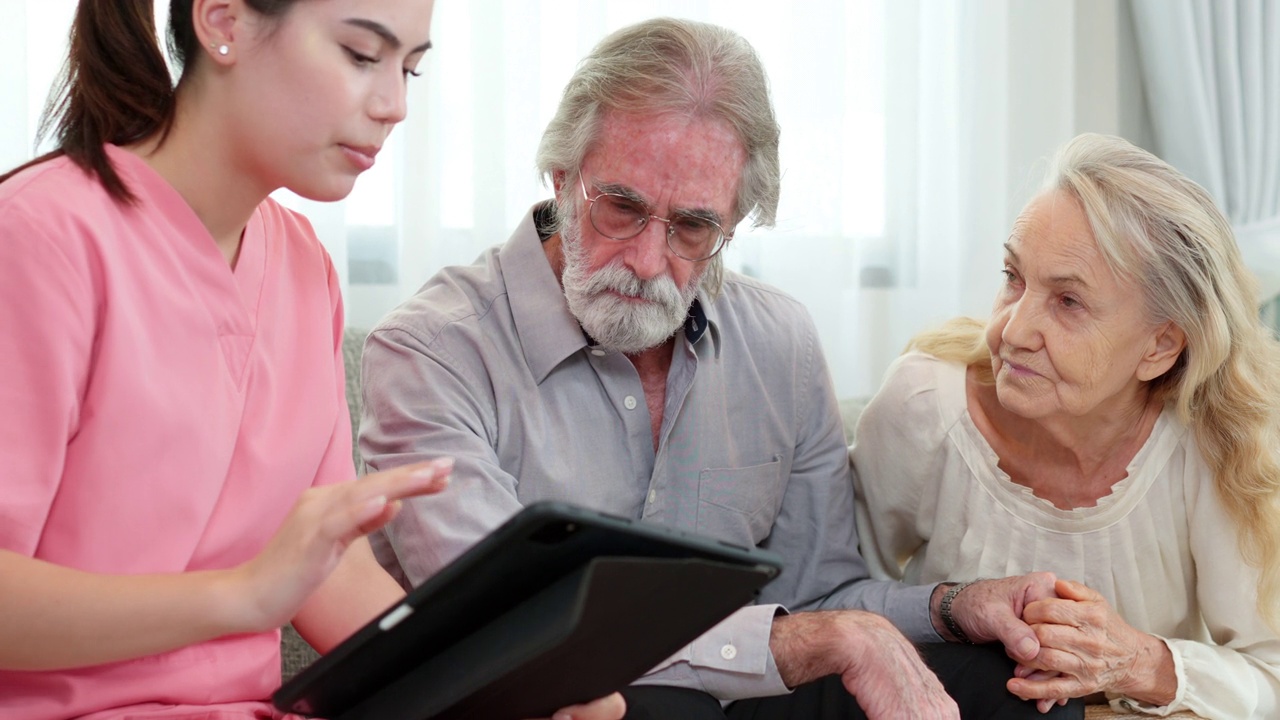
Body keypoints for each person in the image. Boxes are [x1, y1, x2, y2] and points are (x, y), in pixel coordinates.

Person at [359, 17, 1080, 720]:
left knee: (1006, 682)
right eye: (620, 208)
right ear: (562, 176)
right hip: (536, 698)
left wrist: (955, 607)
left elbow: (821, 596)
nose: (646, 262)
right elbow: (512, 626)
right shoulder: (431, 351)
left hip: (737, 693)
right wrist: (810, 640)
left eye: (693, 228)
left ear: (733, 224)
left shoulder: (781, 341)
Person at [0, 1, 624, 719]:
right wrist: (241, 596)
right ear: (224, 20)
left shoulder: (302, 266)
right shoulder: (39, 240)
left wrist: (507, 679)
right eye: (362, 55)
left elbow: (329, 572)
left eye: (410, 69)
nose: (394, 106)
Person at [851, 133, 1280, 719]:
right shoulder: (924, 405)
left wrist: (1136, 662)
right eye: (1013, 276)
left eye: (1068, 302)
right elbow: (832, 599)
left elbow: (1271, 675)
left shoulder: (1213, 442)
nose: (1011, 329)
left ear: (1159, 346)